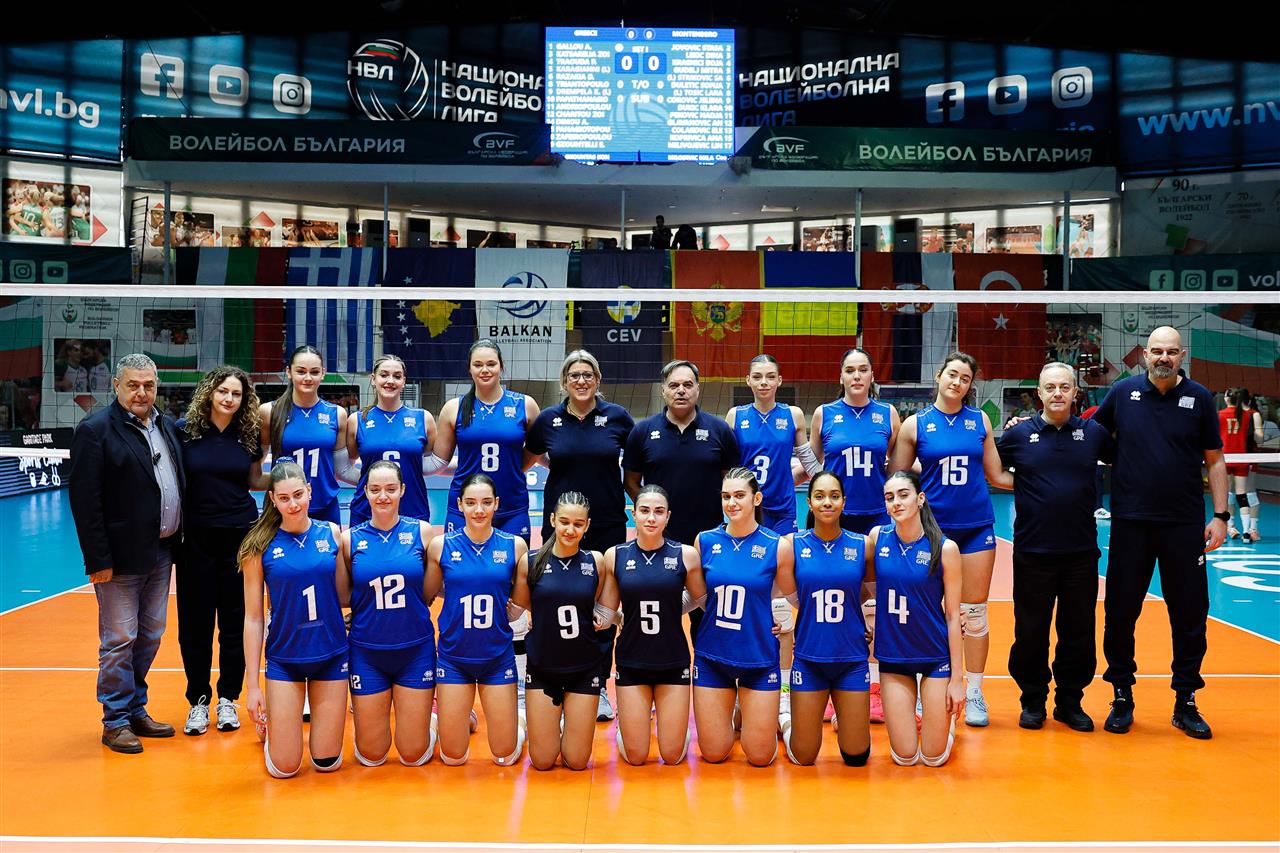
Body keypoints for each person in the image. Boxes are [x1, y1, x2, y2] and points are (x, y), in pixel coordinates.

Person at [1093, 326, 1229, 739]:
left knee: (1190, 614)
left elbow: (1215, 460)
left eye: (1171, 351)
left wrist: (1221, 516)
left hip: (1184, 524)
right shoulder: (1122, 393)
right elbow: (1092, 438)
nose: (1163, 357)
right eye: (1156, 351)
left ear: (1182, 355)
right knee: (1120, 612)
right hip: (1131, 522)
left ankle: (1185, 699)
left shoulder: (1200, 398)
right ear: (1146, 355)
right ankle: (1121, 695)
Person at [68, 353, 185, 754]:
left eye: (148, 385)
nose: (141, 392)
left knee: (151, 634)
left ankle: (136, 707)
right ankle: (115, 719)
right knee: (120, 639)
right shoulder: (95, 430)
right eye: (133, 385)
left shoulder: (166, 425)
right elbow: (85, 502)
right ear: (116, 385)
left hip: (161, 551)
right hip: (119, 558)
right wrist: (97, 560)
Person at [891, 352, 1006, 728]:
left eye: (965, 378)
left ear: (970, 385)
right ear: (939, 376)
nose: (957, 382)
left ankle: (974, 691)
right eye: (952, 374)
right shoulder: (915, 425)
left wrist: (1045, 482)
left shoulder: (980, 419)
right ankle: (927, 687)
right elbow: (899, 478)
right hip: (932, 530)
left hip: (975, 527)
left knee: (973, 613)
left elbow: (996, 474)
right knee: (926, 609)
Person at [996, 363, 1113, 732]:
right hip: (1033, 552)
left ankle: (1069, 702)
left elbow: (1123, 460)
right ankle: (1032, 700)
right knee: (1030, 631)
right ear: (1040, 393)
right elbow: (991, 469)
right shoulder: (1018, 435)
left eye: (1064, 387)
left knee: (1078, 632)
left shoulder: (1093, 433)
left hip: (1080, 553)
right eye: (1050, 387)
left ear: (1075, 391)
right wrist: (1029, 486)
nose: (1057, 393)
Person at [434, 339, 540, 720]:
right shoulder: (454, 408)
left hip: (509, 507)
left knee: (515, 594)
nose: (485, 370)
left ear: (501, 366)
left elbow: (533, 451)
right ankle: (456, 686)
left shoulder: (524, 405)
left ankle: (519, 685)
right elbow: (439, 460)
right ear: (469, 368)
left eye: (491, 364)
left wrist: (510, 473)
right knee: (458, 586)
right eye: (478, 364)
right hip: (464, 508)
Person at [526, 350, 634, 721]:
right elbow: (526, 459)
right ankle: (551, 680)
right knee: (554, 600)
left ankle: (598, 684)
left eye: (588, 374)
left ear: (598, 379)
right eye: (574, 375)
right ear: (564, 381)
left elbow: (637, 461)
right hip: (561, 529)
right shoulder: (548, 420)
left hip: (606, 525)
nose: (581, 380)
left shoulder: (617, 417)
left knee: (602, 606)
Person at [239, 461, 349, 777]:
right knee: (285, 768)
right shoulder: (259, 546)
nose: (293, 504)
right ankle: (274, 729)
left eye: (299, 495)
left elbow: (345, 595)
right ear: (272, 499)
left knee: (326, 762)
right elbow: (253, 618)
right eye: (284, 498)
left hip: (330, 655)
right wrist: (253, 687)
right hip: (285, 658)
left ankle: (288, 726)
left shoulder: (333, 534)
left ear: (309, 491)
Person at [176, 365, 268, 736]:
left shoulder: (248, 435)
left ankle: (228, 697)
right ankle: (198, 701)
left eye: (236, 394)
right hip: (196, 540)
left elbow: (255, 480)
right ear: (210, 393)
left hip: (240, 538)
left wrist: (291, 476)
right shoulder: (184, 431)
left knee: (235, 623)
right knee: (194, 625)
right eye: (223, 391)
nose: (229, 399)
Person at [726, 354, 813, 725]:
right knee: (746, 599)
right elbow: (729, 469)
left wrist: (828, 485)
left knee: (780, 603)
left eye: (770, 377)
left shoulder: (792, 416)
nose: (764, 383)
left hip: (782, 515)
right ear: (748, 380)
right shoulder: (736, 417)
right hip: (746, 515)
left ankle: (782, 692)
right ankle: (740, 688)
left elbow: (807, 460)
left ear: (780, 380)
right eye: (757, 377)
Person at [692, 468, 792, 767]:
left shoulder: (777, 546)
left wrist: (780, 622)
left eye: (739, 495)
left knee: (760, 756)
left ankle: (759, 708)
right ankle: (735, 706)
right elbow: (697, 598)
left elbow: (794, 597)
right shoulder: (705, 541)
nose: (731, 503)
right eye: (726, 496)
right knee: (713, 754)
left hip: (758, 657)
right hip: (713, 655)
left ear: (756, 498)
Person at [599, 485, 706, 765]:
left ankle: (674, 732)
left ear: (668, 517)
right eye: (644, 511)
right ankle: (629, 730)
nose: (651, 518)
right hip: (631, 661)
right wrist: (621, 617)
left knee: (672, 755)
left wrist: (671, 609)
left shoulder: (685, 554)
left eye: (659, 512)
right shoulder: (615, 555)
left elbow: (702, 601)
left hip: (673, 661)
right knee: (635, 756)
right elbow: (606, 612)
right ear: (633, 514)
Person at [341, 461, 438, 767]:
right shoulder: (349, 539)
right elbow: (344, 596)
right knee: (372, 755)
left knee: (413, 754)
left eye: (390, 489)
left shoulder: (422, 532)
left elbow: (429, 591)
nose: (383, 496)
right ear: (365, 492)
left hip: (415, 649)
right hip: (367, 652)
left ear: (402, 490)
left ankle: (435, 723)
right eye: (375, 489)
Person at [427, 474, 527, 766]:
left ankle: (519, 718)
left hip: (496, 657)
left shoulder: (514, 546)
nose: (479, 510)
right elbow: (426, 595)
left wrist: (509, 612)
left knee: (505, 755)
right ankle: (451, 717)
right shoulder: (441, 546)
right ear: (460, 505)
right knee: (453, 756)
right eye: (471, 503)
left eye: (486, 502)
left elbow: (521, 599)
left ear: (496, 504)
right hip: (454, 658)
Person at [775, 471, 872, 766]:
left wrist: (861, 620)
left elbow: (869, 592)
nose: (827, 502)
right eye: (819, 496)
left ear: (844, 501)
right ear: (809, 502)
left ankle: (844, 715)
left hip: (851, 659)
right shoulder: (793, 544)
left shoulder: (862, 545)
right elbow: (785, 594)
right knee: (803, 756)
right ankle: (786, 719)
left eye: (834, 496)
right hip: (809, 659)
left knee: (857, 756)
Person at [510, 492, 613, 771]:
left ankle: (571, 722)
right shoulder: (531, 562)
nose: (570, 530)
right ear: (553, 519)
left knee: (577, 761)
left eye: (578, 524)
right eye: (564, 522)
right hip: (543, 668)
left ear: (587, 525)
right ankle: (536, 723)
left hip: (584, 668)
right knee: (543, 761)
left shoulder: (595, 561)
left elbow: (597, 605)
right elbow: (520, 606)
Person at [869, 471, 964, 766]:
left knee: (934, 757)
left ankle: (945, 724)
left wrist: (958, 680)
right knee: (906, 756)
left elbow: (953, 616)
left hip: (934, 655)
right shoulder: (877, 538)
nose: (896, 502)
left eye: (903, 495)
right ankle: (928, 716)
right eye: (889, 497)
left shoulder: (945, 548)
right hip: (894, 656)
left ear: (920, 498)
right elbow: (859, 586)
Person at [624, 360, 740, 550]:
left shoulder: (720, 430)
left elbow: (732, 483)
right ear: (663, 390)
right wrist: (654, 511)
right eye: (673, 385)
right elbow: (630, 482)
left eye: (687, 385)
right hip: (658, 536)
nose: (681, 391)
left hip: (709, 536)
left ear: (697, 389)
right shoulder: (642, 431)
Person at [259, 346, 358, 525]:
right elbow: (255, 471)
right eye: (301, 371)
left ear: (323, 373)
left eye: (314, 372)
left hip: (325, 506)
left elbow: (342, 469)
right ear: (288, 372)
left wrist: (382, 480)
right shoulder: (270, 412)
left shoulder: (337, 414)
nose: (308, 378)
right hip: (284, 508)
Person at [810, 348, 901, 536]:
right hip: (834, 512)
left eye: (863, 370)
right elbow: (811, 465)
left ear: (872, 376)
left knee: (875, 556)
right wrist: (779, 478)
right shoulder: (823, 413)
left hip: (876, 511)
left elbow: (899, 461)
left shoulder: (888, 413)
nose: (857, 376)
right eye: (850, 371)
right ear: (841, 377)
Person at [346, 354, 438, 528]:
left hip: (412, 508)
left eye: (397, 376)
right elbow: (347, 465)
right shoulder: (356, 421)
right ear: (373, 379)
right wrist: (372, 481)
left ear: (404, 381)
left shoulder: (423, 419)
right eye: (384, 375)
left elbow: (428, 461)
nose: (390, 381)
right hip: (366, 510)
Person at [1220, 388, 1264, 544]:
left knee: (1247, 492)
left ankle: (1252, 529)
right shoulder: (1245, 415)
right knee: (1234, 493)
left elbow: (1259, 439)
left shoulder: (1251, 415)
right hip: (1239, 458)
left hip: (1246, 456)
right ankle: (1232, 527)